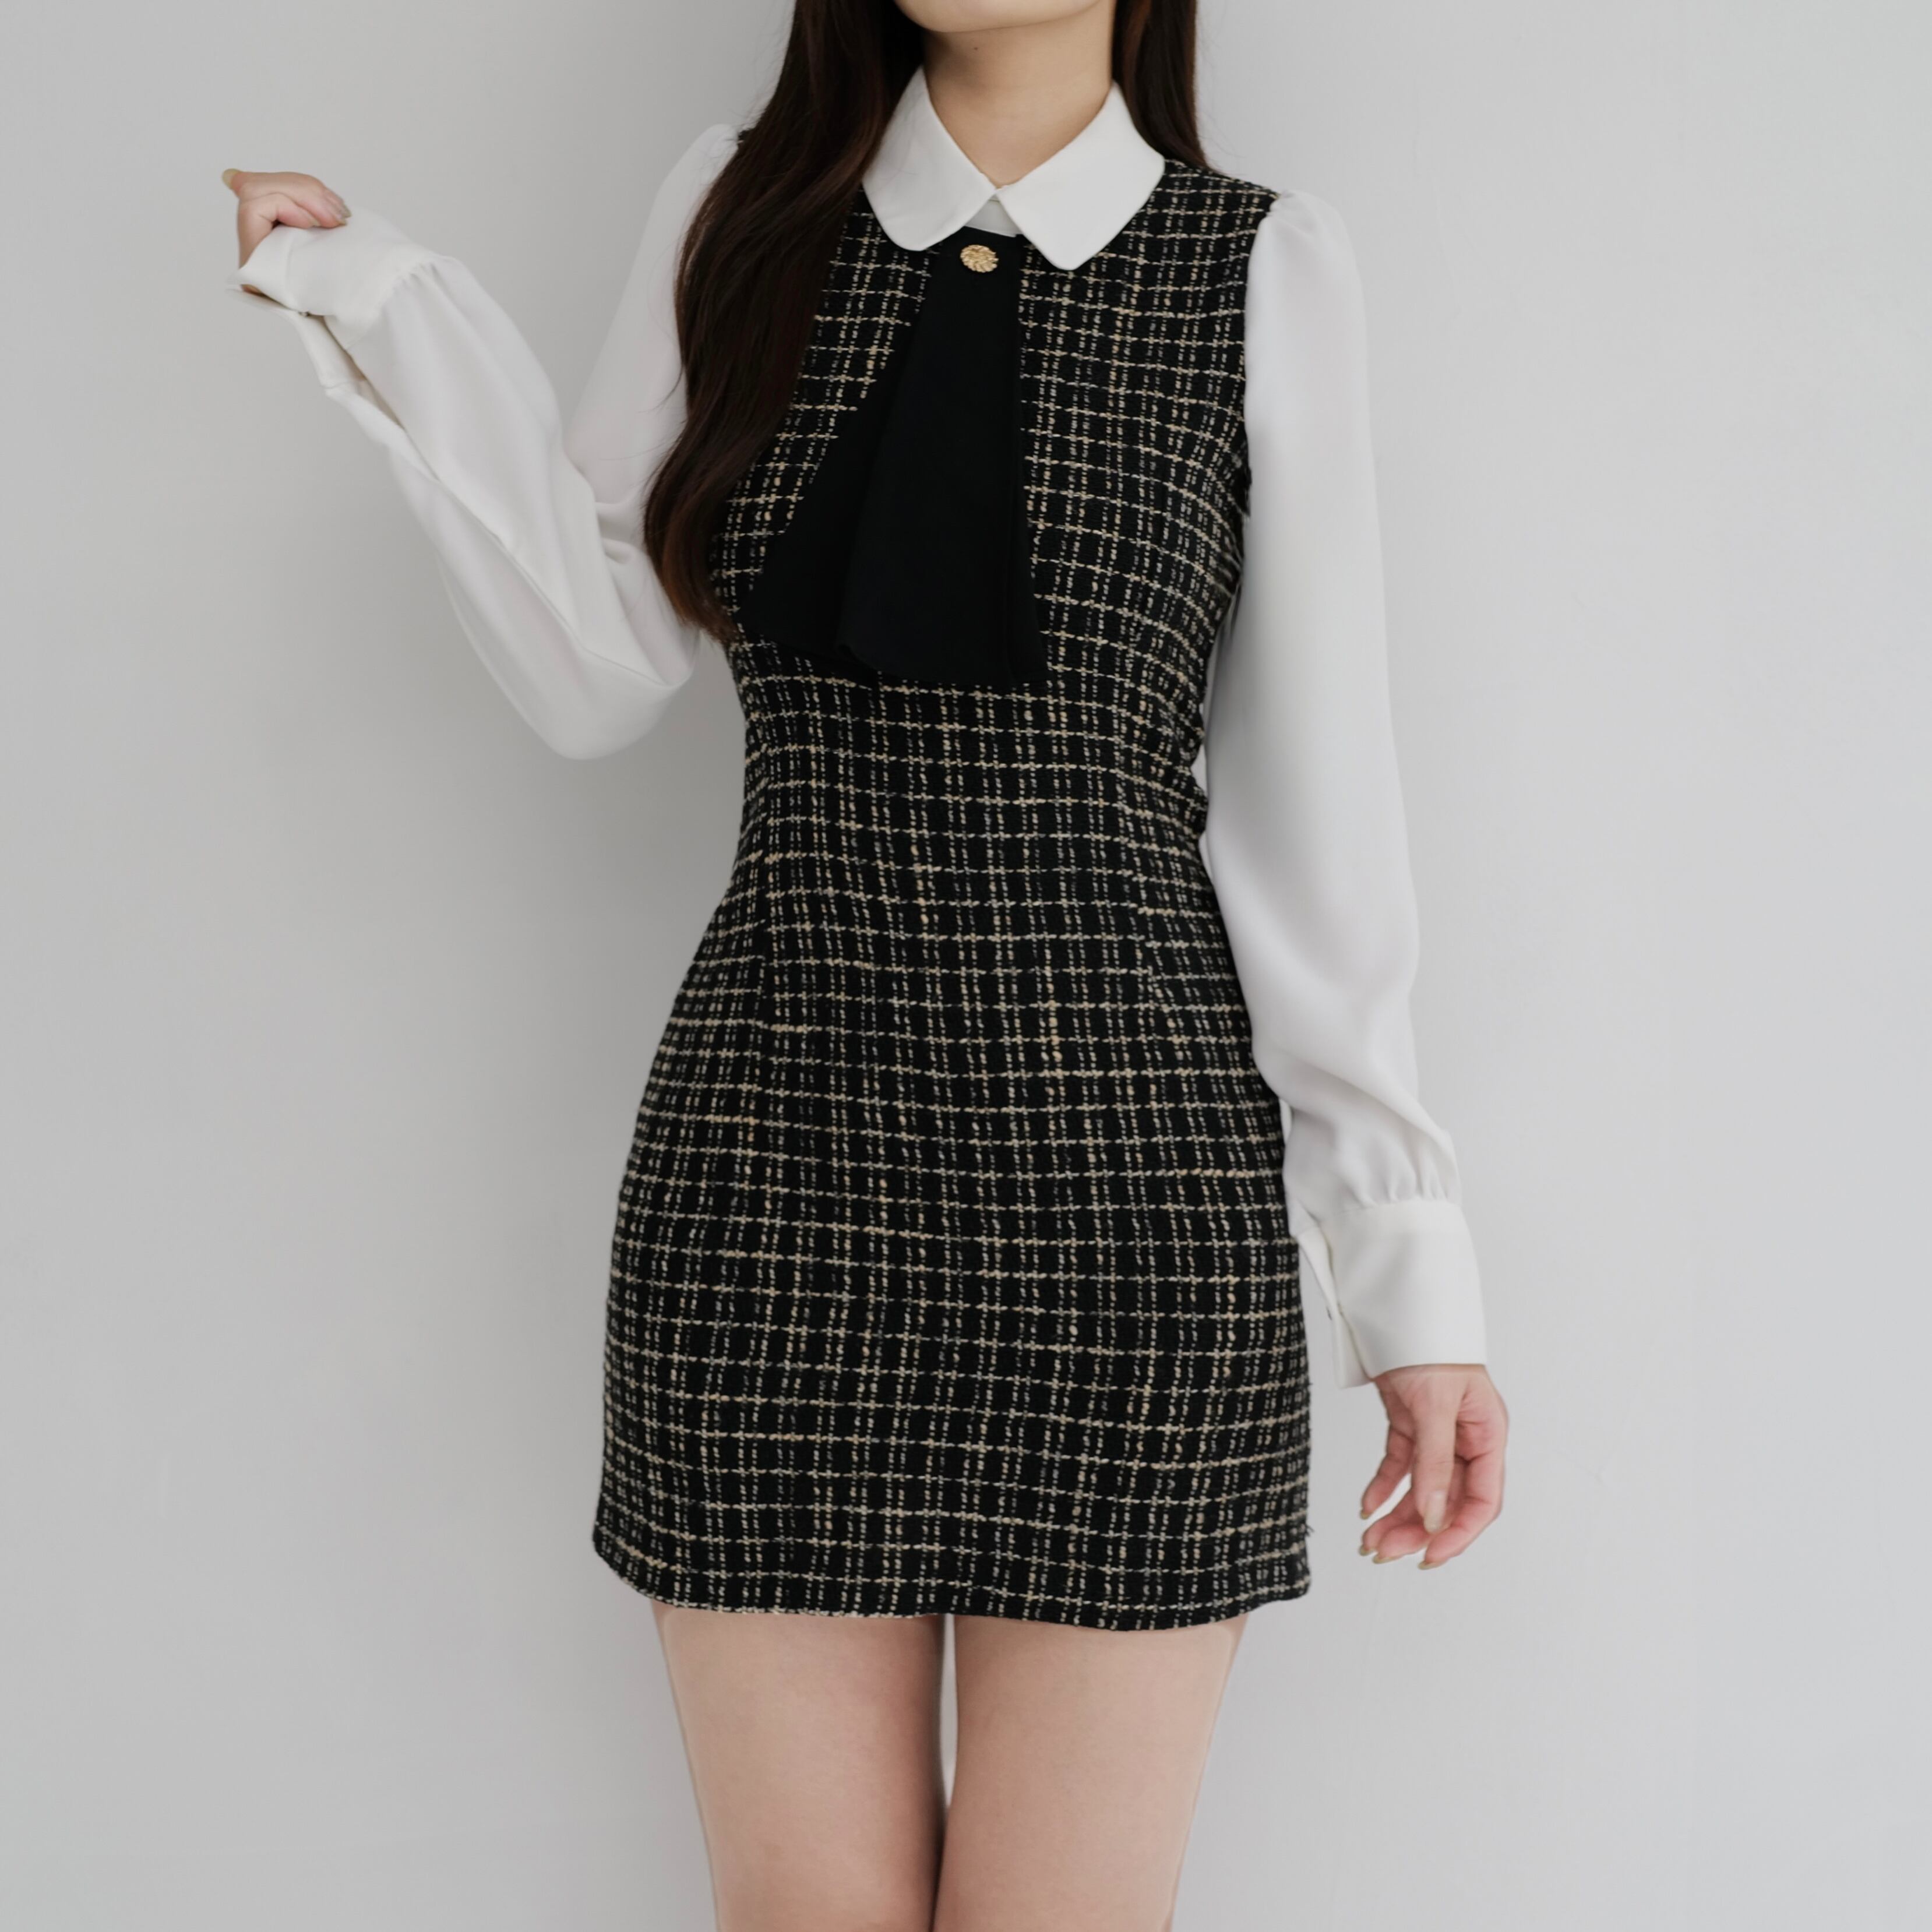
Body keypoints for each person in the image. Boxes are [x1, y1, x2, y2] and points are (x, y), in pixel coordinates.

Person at [222, 2, 1508, 1924]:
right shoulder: (741, 212)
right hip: (771, 1187)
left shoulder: (1256, 265)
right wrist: (386, 303)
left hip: (1134, 1215)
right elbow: (592, 663)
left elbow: (1312, 816)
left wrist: (1409, 1281)